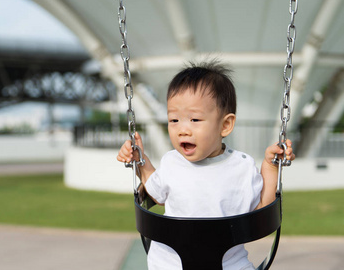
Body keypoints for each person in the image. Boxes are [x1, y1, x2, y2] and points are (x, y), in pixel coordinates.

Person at [117, 61, 295, 270]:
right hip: (170, 264)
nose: (183, 129)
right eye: (174, 120)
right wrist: (140, 160)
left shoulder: (241, 167)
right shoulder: (171, 162)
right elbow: (156, 195)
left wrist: (271, 166)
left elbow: (261, 210)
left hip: (228, 265)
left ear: (225, 125)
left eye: (194, 119)